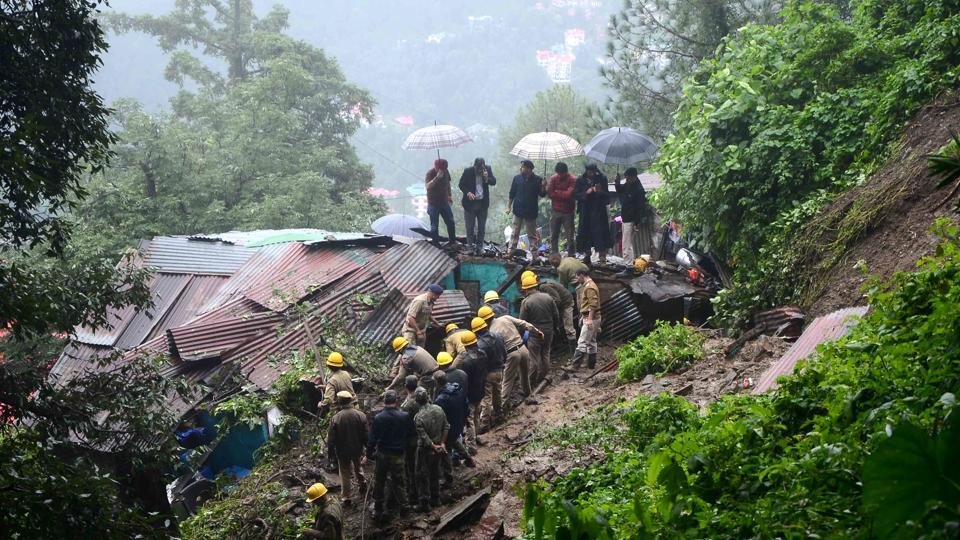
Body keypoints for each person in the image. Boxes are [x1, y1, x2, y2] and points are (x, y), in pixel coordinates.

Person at [479, 305, 537, 410]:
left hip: (512, 353)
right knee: (524, 375)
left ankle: (503, 406)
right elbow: (524, 324)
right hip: (523, 349)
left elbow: (498, 349)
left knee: (507, 381)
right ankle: (529, 396)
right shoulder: (506, 317)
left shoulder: (492, 331)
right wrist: (537, 331)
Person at [365, 390, 409, 524]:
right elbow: (408, 434)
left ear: (384, 402)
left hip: (383, 454)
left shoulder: (379, 418)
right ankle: (404, 508)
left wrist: (368, 454)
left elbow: (372, 439)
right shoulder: (404, 416)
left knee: (380, 480)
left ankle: (378, 506)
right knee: (399, 481)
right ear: (396, 401)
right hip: (398, 454)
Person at [326, 391, 367, 506]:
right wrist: (368, 450)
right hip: (357, 448)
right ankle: (363, 484)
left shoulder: (336, 418)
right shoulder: (360, 415)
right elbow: (366, 434)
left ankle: (346, 497)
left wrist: (330, 454)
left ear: (339, 402)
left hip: (342, 451)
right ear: (350, 401)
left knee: (344, 473)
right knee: (358, 466)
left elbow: (331, 440)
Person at [518, 273, 560, 387]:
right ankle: (543, 377)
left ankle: (530, 382)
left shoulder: (526, 302)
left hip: (535, 332)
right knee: (546, 354)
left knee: (534, 358)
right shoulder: (548, 297)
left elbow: (522, 322)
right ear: (535, 286)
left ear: (526, 289)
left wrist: (521, 336)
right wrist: (555, 327)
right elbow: (556, 315)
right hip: (549, 330)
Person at [414, 387, 449, 511]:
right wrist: (442, 443)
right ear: (428, 397)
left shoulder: (419, 417)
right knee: (435, 473)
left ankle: (424, 503)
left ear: (417, 401)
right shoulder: (439, 409)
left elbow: (423, 437)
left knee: (422, 475)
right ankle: (436, 499)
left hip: (425, 450)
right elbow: (446, 426)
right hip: (439, 448)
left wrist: (433, 446)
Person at [614, 167, 654, 267]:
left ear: (634, 177)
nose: (626, 180)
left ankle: (628, 266)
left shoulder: (639, 190)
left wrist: (637, 222)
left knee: (626, 244)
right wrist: (617, 182)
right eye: (626, 179)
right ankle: (628, 263)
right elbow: (620, 190)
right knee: (626, 243)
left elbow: (640, 208)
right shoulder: (629, 184)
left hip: (631, 219)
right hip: (625, 218)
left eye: (628, 178)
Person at [471, 316, 506, 428]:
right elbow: (504, 353)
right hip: (499, 371)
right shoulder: (498, 336)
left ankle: (485, 423)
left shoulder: (480, 345)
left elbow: (481, 363)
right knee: (498, 394)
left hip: (489, 373)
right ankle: (499, 415)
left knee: (487, 399)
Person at [574, 164, 611, 265]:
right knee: (585, 233)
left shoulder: (602, 179)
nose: (591, 174)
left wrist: (599, 191)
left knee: (600, 233)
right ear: (586, 171)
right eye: (589, 172)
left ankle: (602, 257)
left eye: (593, 172)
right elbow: (576, 195)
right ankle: (587, 254)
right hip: (585, 211)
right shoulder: (580, 180)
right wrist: (587, 192)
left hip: (598, 211)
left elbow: (607, 196)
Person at [458, 157, 496, 256]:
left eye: (481, 168)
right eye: (478, 169)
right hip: (470, 204)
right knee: (470, 226)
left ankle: (480, 247)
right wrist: (468, 193)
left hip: (483, 203)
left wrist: (487, 178)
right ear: (474, 166)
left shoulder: (487, 169)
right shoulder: (468, 171)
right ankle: (470, 246)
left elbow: (494, 182)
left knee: (481, 227)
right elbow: (461, 185)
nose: (480, 170)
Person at [456, 330, 488, 445]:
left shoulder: (467, 361)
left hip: (470, 394)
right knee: (477, 416)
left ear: (465, 345)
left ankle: (471, 445)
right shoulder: (483, 354)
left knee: (469, 420)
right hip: (480, 390)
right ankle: (478, 436)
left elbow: (464, 380)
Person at [506, 160, 545, 255]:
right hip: (518, 209)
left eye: (523, 167)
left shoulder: (538, 180)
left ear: (529, 169)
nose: (521, 168)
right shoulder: (517, 178)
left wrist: (543, 186)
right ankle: (510, 252)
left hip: (531, 211)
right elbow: (512, 193)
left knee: (532, 234)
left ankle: (535, 255)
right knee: (515, 232)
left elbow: (542, 194)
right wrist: (509, 207)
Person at [572, 268, 602, 369]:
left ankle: (574, 366)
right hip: (593, 317)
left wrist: (589, 319)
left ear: (582, 275)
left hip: (591, 318)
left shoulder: (589, 287)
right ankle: (591, 365)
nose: (577, 279)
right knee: (592, 342)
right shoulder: (590, 285)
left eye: (577, 276)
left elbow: (593, 305)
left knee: (582, 342)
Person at [546, 161, 577, 257]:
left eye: (561, 173)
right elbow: (550, 193)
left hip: (568, 211)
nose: (559, 175)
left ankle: (571, 255)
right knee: (554, 234)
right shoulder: (553, 178)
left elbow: (569, 195)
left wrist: (557, 192)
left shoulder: (573, 179)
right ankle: (554, 253)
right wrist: (562, 193)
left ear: (565, 172)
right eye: (558, 173)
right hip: (556, 211)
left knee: (570, 235)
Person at [400, 376, 422, 502]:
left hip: (411, 439)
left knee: (411, 466)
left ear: (406, 386)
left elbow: (404, 425)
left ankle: (413, 493)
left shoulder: (407, 406)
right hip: (422, 436)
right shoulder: (422, 397)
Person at [538, 278, 577, 351]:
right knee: (555, 324)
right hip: (561, 304)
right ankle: (559, 343)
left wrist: (550, 311)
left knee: (568, 327)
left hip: (566, 303)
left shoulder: (543, 286)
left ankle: (573, 352)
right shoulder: (542, 283)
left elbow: (557, 300)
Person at [425, 159, 456, 245]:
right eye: (441, 169)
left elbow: (448, 183)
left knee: (450, 222)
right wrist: (437, 178)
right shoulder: (430, 173)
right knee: (434, 226)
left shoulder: (446, 172)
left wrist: (449, 195)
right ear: (436, 167)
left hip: (444, 202)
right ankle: (436, 243)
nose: (443, 170)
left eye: (444, 169)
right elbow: (427, 186)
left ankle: (452, 241)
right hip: (433, 204)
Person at [317, 352, 354, 416]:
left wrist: (321, 404)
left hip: (341, 413)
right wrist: (325, 387)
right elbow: (341, 386)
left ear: (328, 366)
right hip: (354, 407)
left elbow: (328, 401)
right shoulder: (346, 374)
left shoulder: (332, 381)